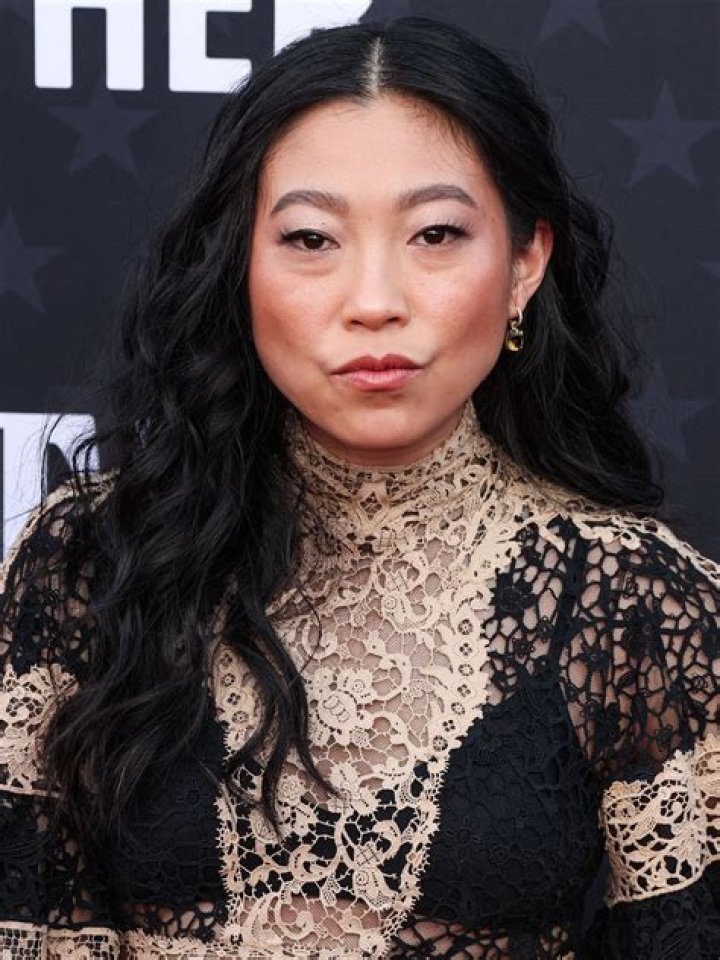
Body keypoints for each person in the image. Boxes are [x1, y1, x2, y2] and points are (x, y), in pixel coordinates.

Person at [0, 15, 717, 960]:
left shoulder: (632, 602)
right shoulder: (90, 558)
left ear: (525, 264)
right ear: (239, 264)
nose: (373, 301)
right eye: (311, 238)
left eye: (435, 234)